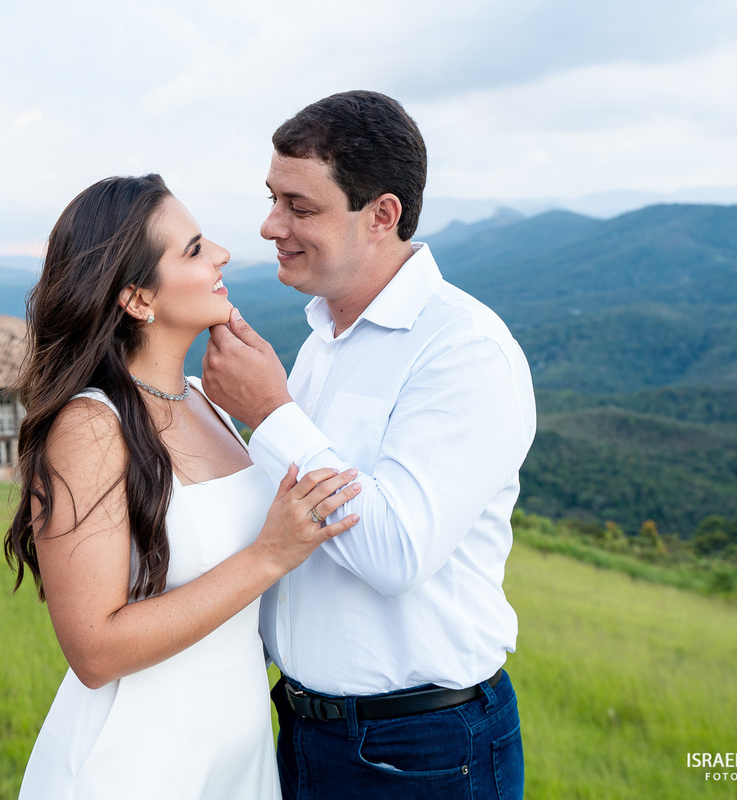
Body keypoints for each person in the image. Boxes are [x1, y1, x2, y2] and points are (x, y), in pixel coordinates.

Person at [201, 91, 536, 799]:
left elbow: (396, 552)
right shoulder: (323, 338)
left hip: (421, 750)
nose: (270, 226)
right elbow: (292, 524)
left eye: (300, 206)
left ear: (381, 215)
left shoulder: (465, 351)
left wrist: (270, 412)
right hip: (303, 730)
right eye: (272, 199)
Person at [5, 174, 362, 800]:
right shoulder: (90, 427)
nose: (223, 253)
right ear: (138, 299)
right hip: (140, 760)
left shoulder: (206, 402)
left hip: (237, 748)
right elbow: (94, 650)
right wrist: (269, 555)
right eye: (195, 249)